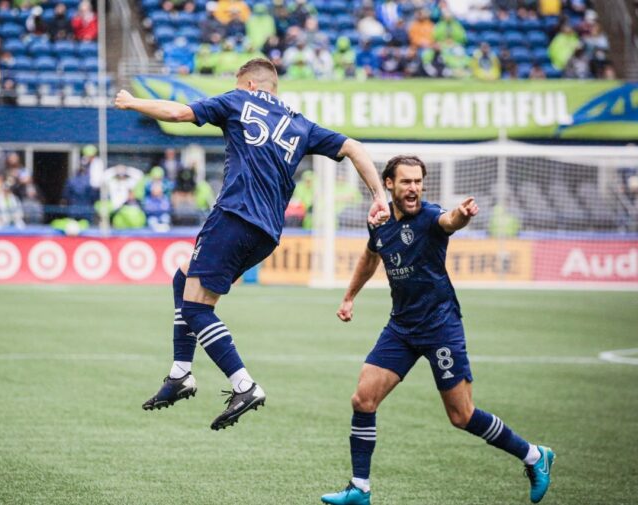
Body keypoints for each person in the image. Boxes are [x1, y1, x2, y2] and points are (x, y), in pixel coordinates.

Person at [114, 58, 388, 430]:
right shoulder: (300, 123)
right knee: (184, 279)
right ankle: (180, 373)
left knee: (197, 309)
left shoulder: (238, 100)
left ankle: (244, 384)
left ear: (249, 84)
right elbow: (354, 147)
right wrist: (378, 196)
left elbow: (179, 113)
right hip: (267, 232)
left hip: (234, 216)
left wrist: (132, 102)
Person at [320, 155, 555, 505]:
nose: (414, 188)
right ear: (389, 185)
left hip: (440, 327)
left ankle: (535, 456)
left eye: (418, 181)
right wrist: (349, 296)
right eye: (406, 182)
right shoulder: (380, 221)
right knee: (363, 399)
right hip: (401, 327)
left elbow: (449, 220)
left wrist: (462, 214)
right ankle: (359, 489)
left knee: (462, 416)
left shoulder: (430, 217)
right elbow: (371, 256)